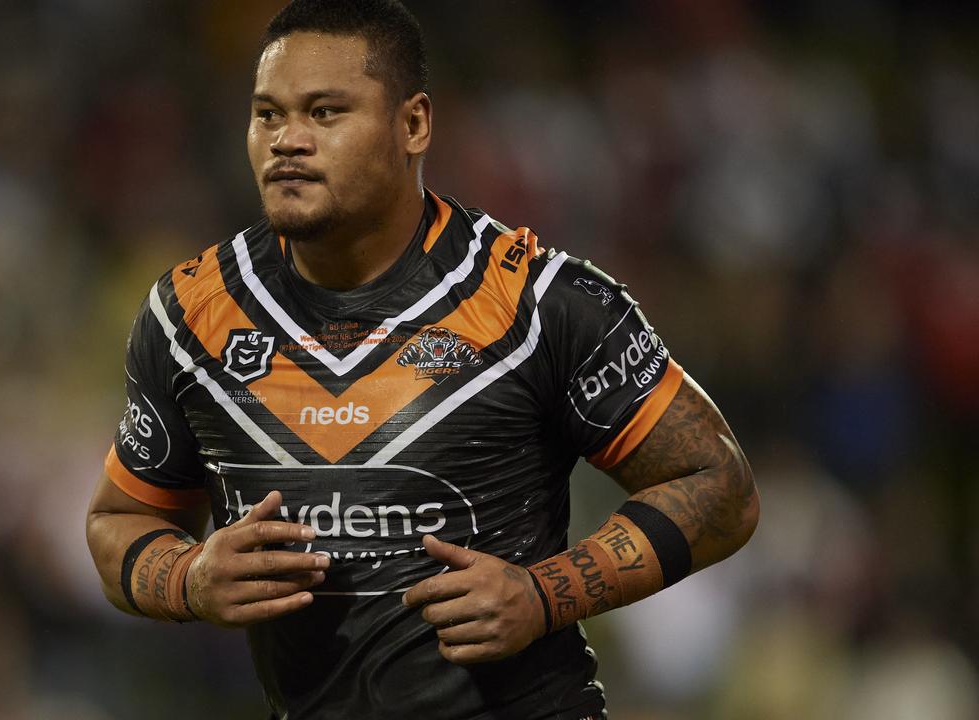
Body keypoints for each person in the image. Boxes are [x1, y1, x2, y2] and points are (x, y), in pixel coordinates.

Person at [85, 1, 759, 718]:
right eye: (268, 115)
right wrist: (188, 579)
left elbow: (719, 484)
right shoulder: (189, 316)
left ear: (413, 125)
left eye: (324, 113)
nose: (286, 141)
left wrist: (543, 593)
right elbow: (117, 522)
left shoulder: (537, 302)